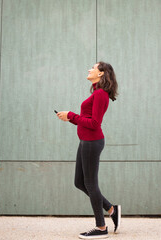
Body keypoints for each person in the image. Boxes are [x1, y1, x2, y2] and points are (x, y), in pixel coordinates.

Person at [56, 61, 121, 239]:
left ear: (101, 73)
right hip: (85, 141)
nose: (89, 69)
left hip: (92, 142)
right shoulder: (96, 92)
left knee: (91, 184)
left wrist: (71, 115)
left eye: (93, 67)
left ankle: (101, 228)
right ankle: (111, 209)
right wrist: (70, 118)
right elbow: (85, 119)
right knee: (79, 182)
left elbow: (94, 124)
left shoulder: (100, 94)